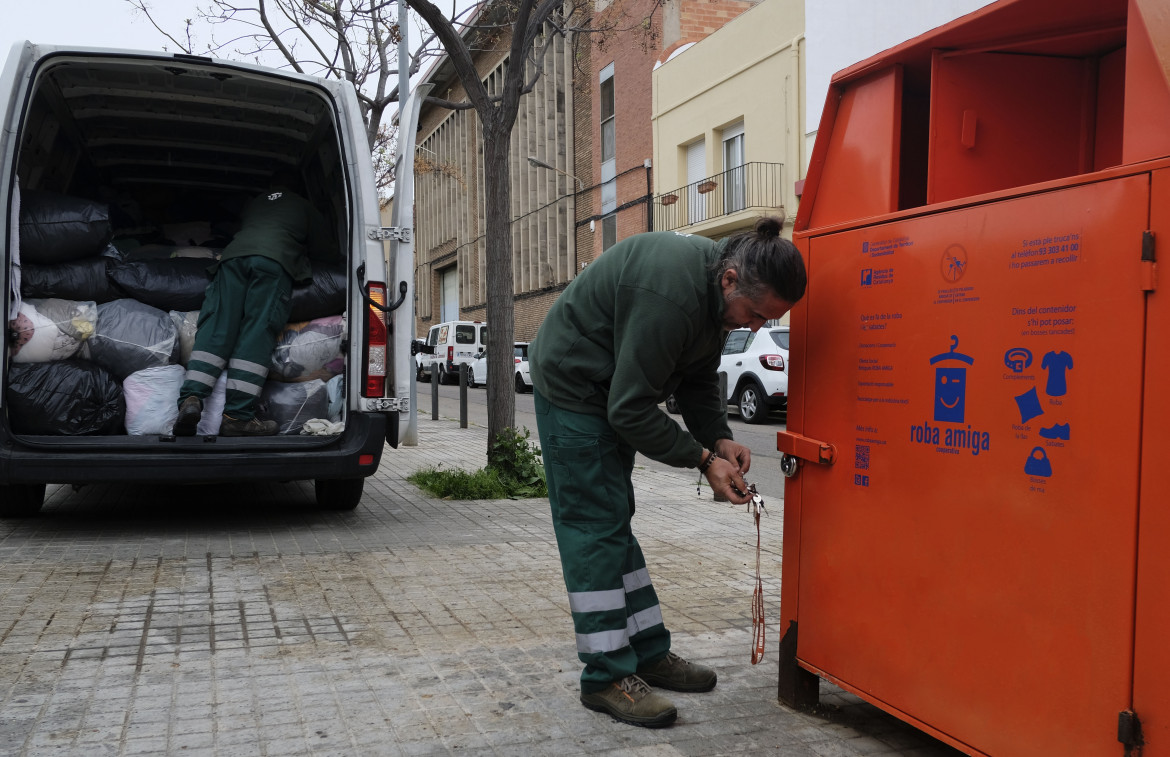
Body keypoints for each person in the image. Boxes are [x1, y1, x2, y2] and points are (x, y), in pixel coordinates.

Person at [529, 217, 807, 728]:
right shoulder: (672, 296)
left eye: (767, 320)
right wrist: (703, 462)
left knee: (614, 521)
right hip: (575, 389)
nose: (755, 329)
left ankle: (647, 653)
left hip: (608, 392)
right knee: (594, 530)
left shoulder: (712, 297)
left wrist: (718, 436)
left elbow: (697, 378)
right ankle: (606, 677)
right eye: (755, 314)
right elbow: (630, 410)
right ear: (730, 280)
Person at [173, 169, 334, 437]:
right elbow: (325, 251)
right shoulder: (304, 206)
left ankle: (191, 399)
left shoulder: (255, 203)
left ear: (271, 184)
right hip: (272, 262)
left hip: (232, 259)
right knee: (256, 332)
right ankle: (237, 416)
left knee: (217, 327)